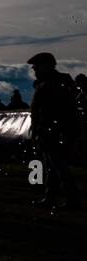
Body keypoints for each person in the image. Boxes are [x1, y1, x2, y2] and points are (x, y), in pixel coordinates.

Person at [28, 53, 81, 210]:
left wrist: (42, 129)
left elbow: (51, 111)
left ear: (46, 66)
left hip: (54, 132)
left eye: (37, 67)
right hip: (54, 131)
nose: (34, 70)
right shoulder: (55, 82)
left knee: (58, 167)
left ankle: (72, 200)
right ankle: (51, 197)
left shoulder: (52, 84)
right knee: (52, 167)